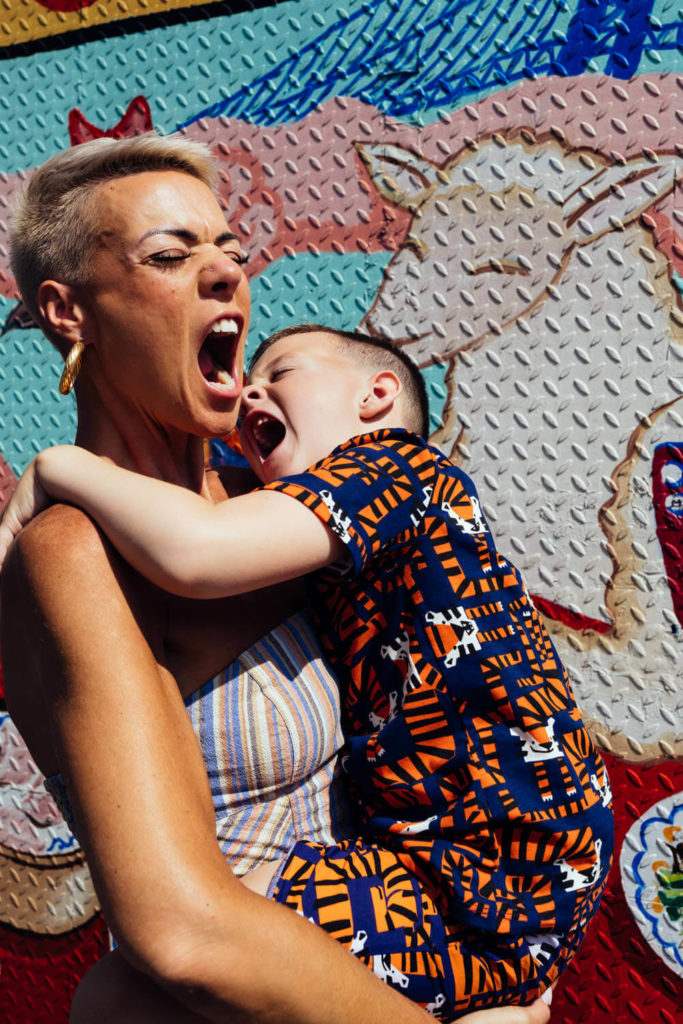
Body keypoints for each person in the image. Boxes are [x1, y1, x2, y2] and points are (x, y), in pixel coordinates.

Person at [0, 134, 550, 1024]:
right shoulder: (75, 551)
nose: (225, 276)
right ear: (69, 313)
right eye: (172, 256)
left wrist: (510, 973)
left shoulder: (276, 510)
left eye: (231, 251)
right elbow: (185, 934)